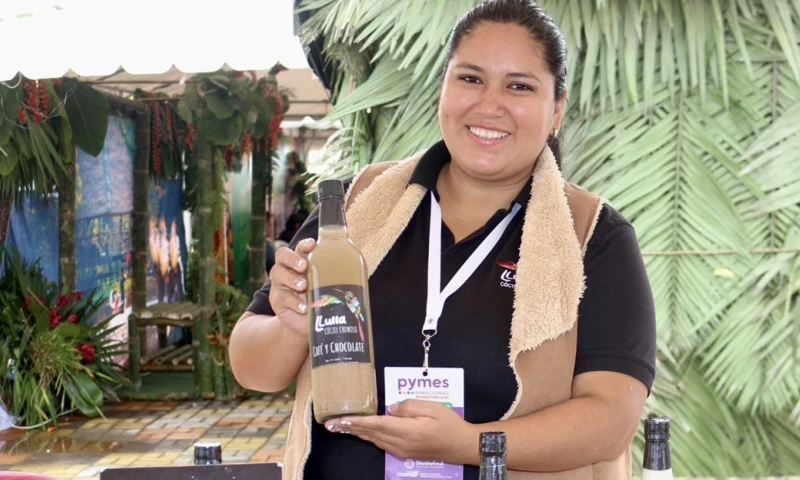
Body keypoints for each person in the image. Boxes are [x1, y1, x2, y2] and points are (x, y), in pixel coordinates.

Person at [229, 0, 656, 478]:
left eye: (519, 86)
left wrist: (470, 444)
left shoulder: (593, 235)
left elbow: (610, 420)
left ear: (556, 108)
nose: (489, 105)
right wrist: (291, 326)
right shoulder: (355, 206)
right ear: (443, 88)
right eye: (470, 78)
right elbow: (252, 369)